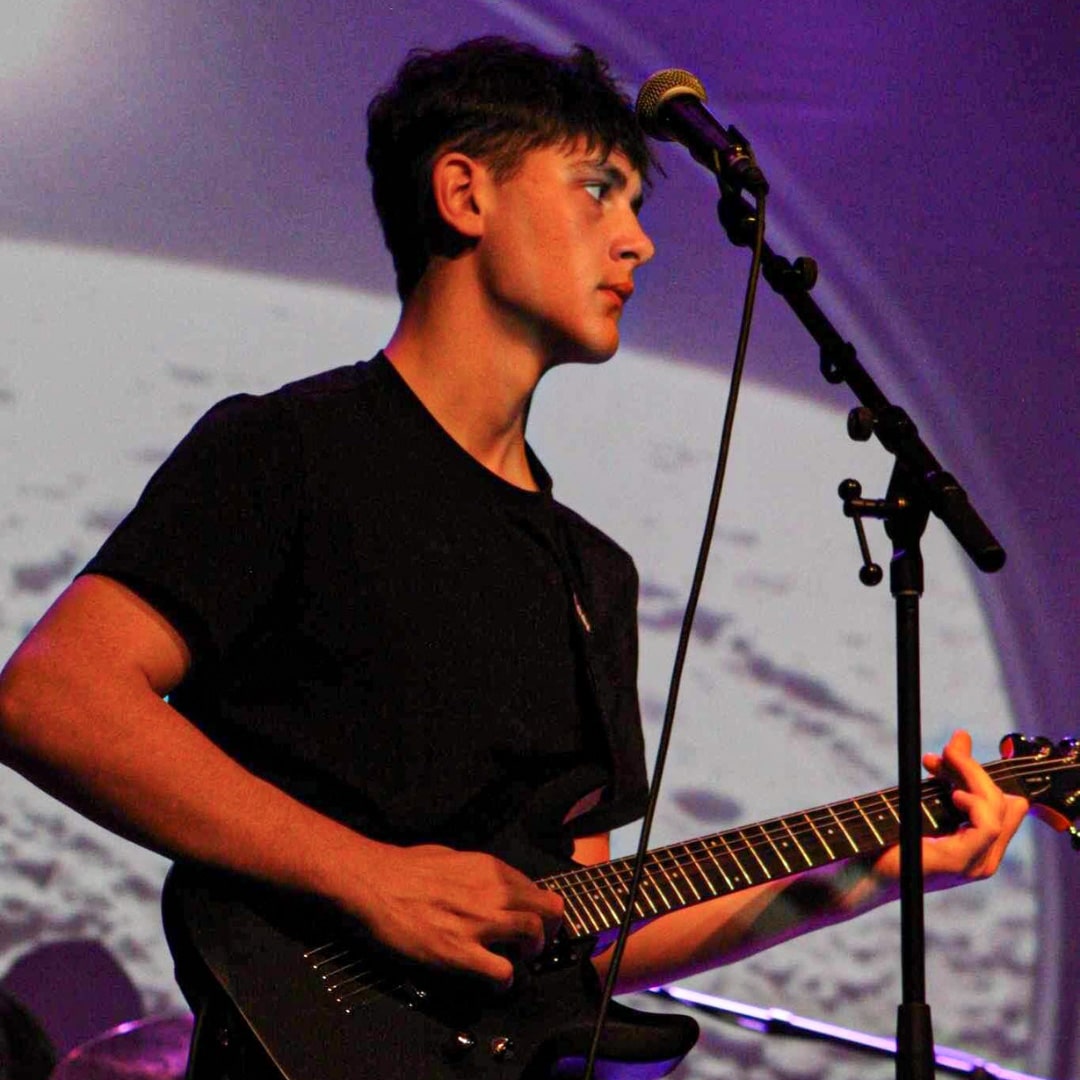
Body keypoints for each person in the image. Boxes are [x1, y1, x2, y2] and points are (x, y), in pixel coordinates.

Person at [0, 34, 1027, 1067]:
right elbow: (53, 695)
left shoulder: (593, 576)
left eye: (638, 207)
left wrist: (876, 873)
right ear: (464, 194)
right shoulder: (289, 450)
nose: (639, 243)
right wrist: (368, 877)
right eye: (599, 193)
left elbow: (580, 939)